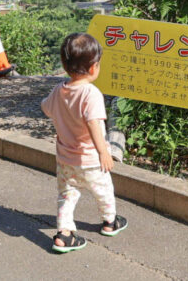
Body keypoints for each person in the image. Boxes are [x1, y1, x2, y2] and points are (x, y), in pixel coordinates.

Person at [40, 33, 128, 253]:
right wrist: (103, 152)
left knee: (66, 195)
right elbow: (94, 125)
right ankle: (109, 222)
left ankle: (64, 233)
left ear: (64, 64)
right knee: (103, 190)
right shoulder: (91, 94)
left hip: (65, 158)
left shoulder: (59, 90)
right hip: (90, 159)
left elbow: (46, 108)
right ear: (93, 68)